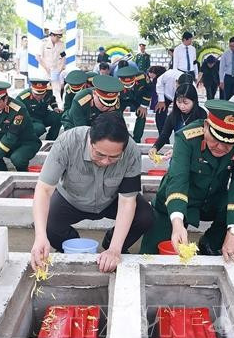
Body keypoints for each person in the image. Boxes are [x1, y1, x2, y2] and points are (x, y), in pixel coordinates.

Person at [30, 112, 154, 273]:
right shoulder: (68, 142)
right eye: (100, 154)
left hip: (111, 199)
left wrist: (115, 250)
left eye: (114, 157)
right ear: (90, 140)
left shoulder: (131, 152)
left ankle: (112, 243)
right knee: (46, 224)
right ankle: (72, 246)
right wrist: (40, 237)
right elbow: (44, 190)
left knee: (145, 216)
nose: (105, 162)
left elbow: (127, 201)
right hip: (72, 199)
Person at [139, 100, 234, 260]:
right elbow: (178, 179)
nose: (221, 147)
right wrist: (177, 222)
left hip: (211, 199)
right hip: (177, 199)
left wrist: (233, 231)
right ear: (206, 126)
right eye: (216, 140)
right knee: (152, 254)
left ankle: (210, 243)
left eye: (228, 145)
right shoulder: (187, 137)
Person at [149, 82, 207, 157]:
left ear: (194, 101)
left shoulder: (201, 114)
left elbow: (201, 139)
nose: (181, 106)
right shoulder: (173, 115)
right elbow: (165, 134)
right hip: (177, 152)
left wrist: (179, 150)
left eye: (186, 103)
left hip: (195, 154)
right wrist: (155, 147)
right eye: (178, 102)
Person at [117, 66, 152, 143]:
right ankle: (123, 137)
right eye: (126, 85)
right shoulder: (116, 82)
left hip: (137, 97)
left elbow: (149, 89)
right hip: (122, 99)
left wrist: (143, 106)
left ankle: (137, 139)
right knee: (116, 116)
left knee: (142, 115)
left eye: (130, 84)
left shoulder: (142, 77)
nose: (129, 87)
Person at [155, 69, 191, 133]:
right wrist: (161, 100)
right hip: (167, 95)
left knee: (180, 117)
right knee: (160, 112)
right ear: (176, 82)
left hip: (182, 98)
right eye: (179, 87)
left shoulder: (192, 86)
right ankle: (163, 135)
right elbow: (159, 81)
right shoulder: (169, 74)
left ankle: (178, 136)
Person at [38, 28, 66, 109]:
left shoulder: (61, 44)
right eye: (57, 37)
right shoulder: (43, 43)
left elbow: (63, 57)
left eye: (60, 37)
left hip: (55, 70)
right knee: (41, 89)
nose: (58, 39)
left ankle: (59, 109)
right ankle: (43, 107)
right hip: (44, 70)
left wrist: (59, 70)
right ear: (52, 35)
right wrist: (46, 68)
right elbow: (38, 57)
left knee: (56, 90)